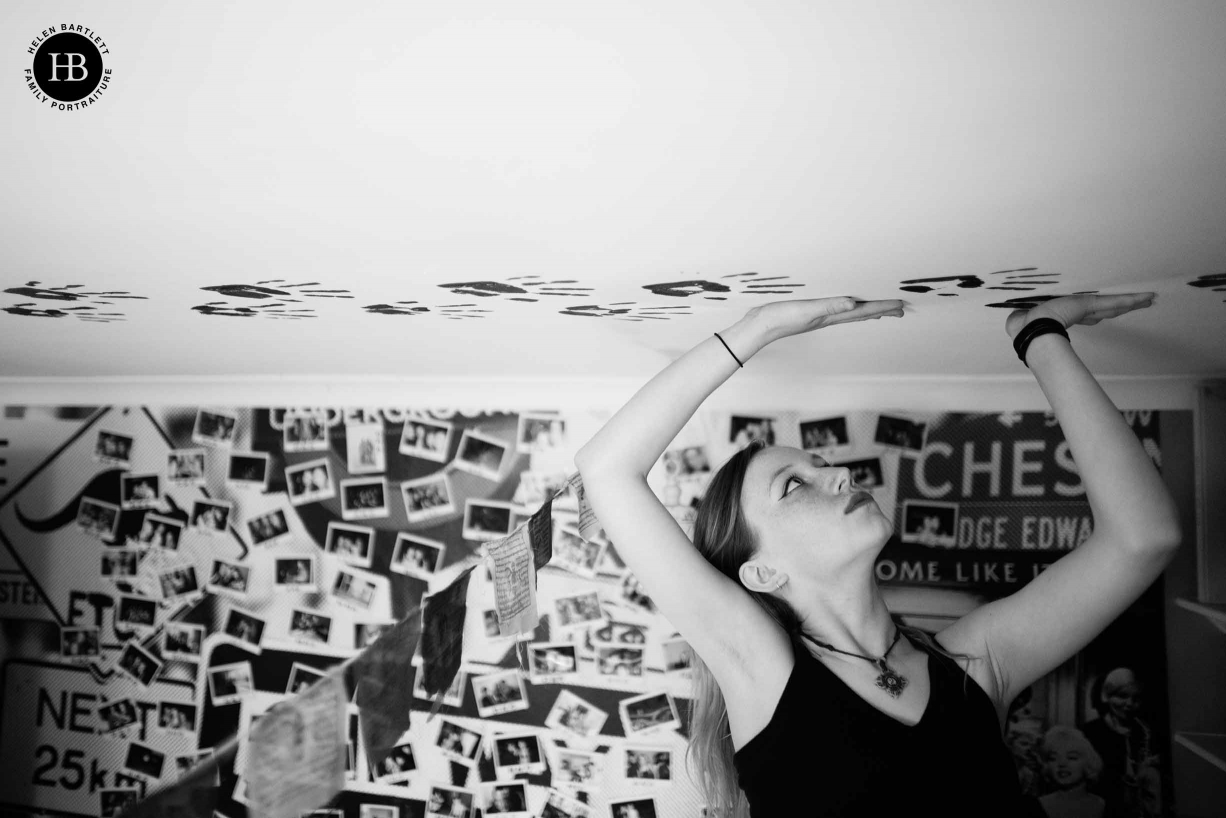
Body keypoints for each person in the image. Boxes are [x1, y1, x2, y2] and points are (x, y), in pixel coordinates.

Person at [574, 294, 1181, 817]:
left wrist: (1038, 334)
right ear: (761, 572)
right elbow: (607, 469)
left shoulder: (975, 665)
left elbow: (1141, 538)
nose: (835, 475)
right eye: (793, 485)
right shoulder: (761, 670)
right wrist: (760, 326)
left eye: (819, 465)